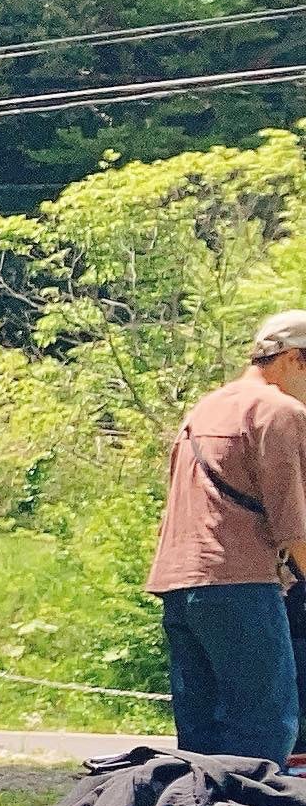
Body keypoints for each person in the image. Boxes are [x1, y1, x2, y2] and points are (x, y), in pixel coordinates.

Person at [150, 308, 306, 763]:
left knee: (203, 741)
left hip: (180, 583)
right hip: (241, 583)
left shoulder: (205, 408)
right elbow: (293, 524)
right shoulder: (280, 411)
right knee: (267, 730)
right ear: (293, 359)